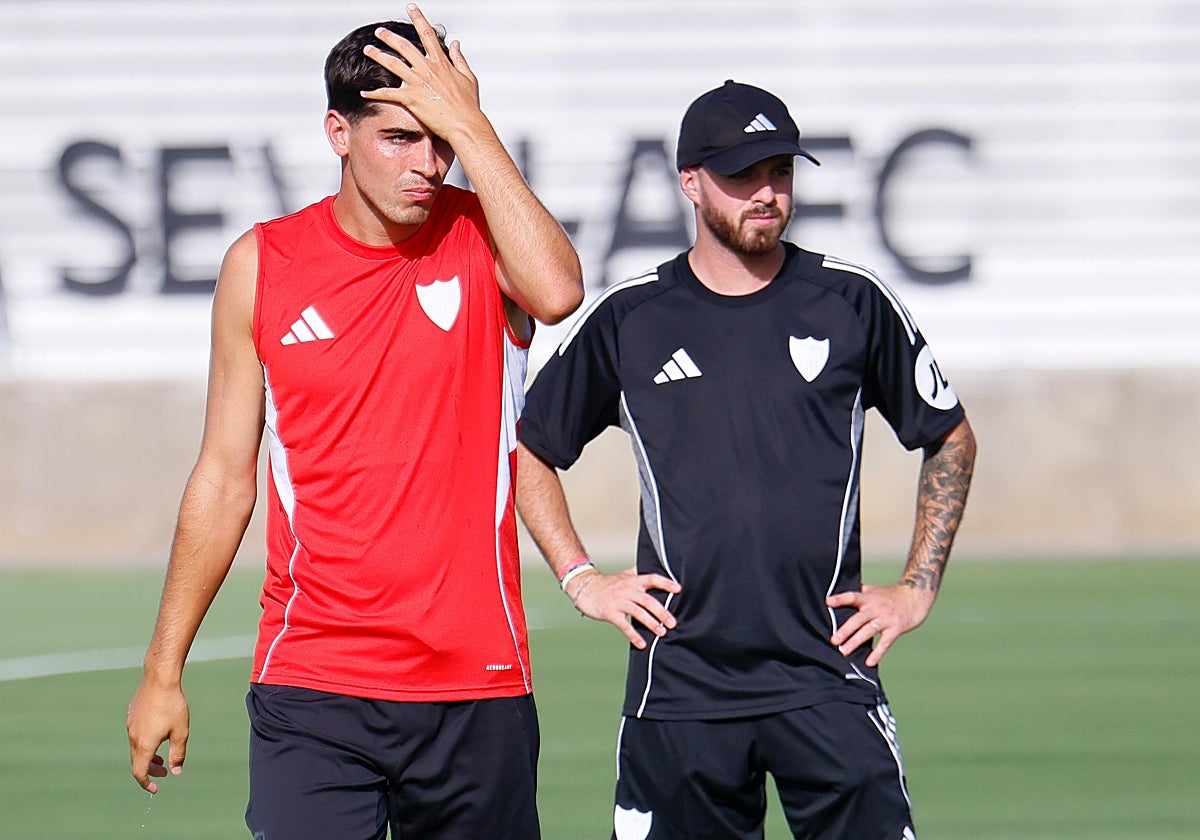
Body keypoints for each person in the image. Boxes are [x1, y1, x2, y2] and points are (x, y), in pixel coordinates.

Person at [125, 5, 583, 838]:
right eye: (399, 138)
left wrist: (471, 124)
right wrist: (163, 670)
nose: (427, 165)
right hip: (314, 682)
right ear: (339, 132)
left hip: (477, 685)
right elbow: (224, 479)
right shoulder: (262, 265)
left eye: (439, 141)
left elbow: (557, 292)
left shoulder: (485, 239)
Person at [516, 79, 976, 839]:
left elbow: (950, 435)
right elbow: (531, 450)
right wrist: (582, 579)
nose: (766, 193)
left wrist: (916, 588)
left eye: (780, 172)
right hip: (680, 689)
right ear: (690, 182)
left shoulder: (852, 301)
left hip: (829, 677)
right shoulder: (632, 317)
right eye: (741, 174)